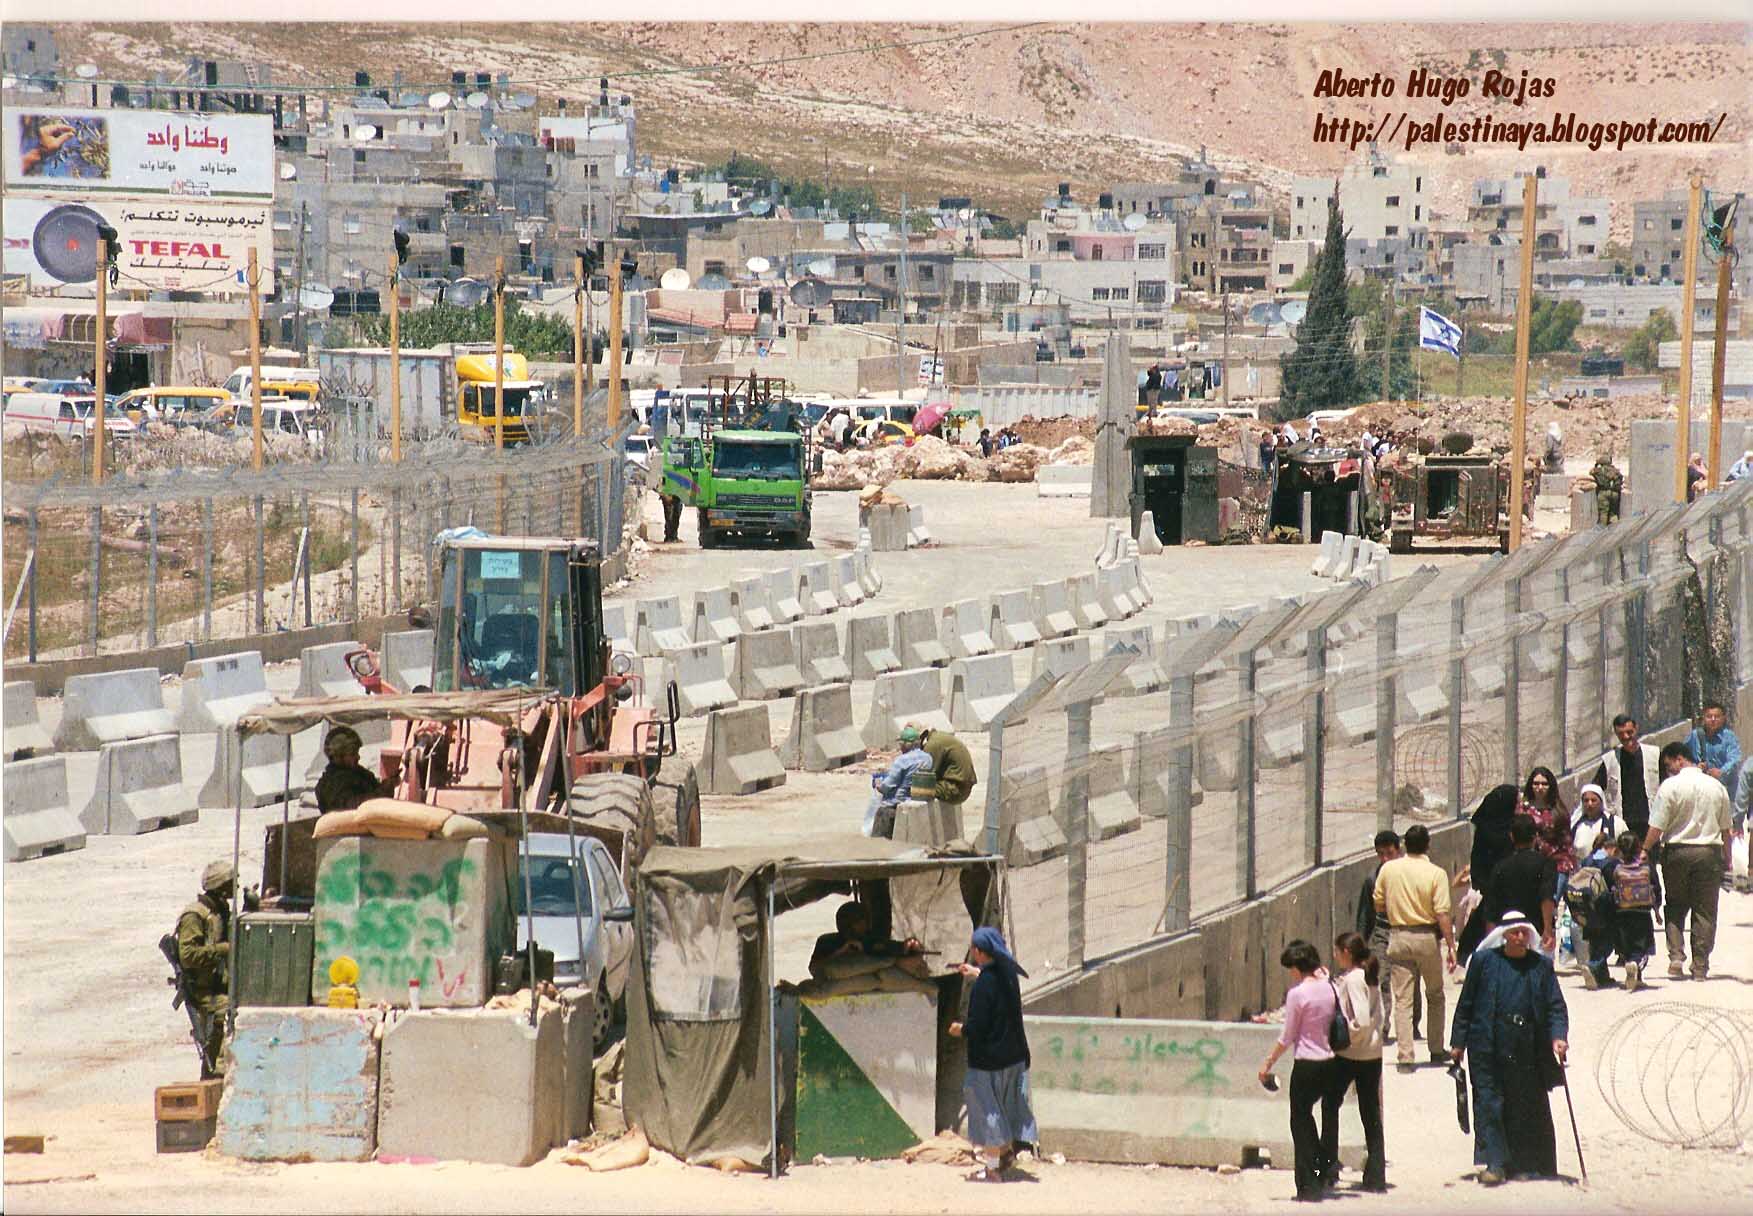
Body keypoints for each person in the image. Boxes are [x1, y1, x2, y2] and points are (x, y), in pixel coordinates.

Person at [1449, 911, 1569, 1185]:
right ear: (1503, 935)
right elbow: (1466, 1004)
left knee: (1523, 1105)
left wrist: (1558, 1037)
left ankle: (1525, 1164)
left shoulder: (1540, 966)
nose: (1520, 937)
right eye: (1515, 932)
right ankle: (1495, 1164)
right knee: (1489, 1102)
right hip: (1487, 1044)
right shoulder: (1483, 962)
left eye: (1524, 932)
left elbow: (1555, 1005)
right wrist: (1458, 1042)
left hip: (1526, 1046)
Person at [948, 926, 1037, 1183]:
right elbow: (993, 984)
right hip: (1014, 1057)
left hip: (988, 1063)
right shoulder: (1007, 974)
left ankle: (992, 1169)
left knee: (988, 1113)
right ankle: (1006, 1154)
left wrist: (959, 1030)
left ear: (978, 951)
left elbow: (977, 1027)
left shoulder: (983, 986)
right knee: (1006, 1108)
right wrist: (975, 972)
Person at [1256, 940, 1340, 1202]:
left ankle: (1308, 1186)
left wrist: (1268, 1063)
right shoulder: (1329, 988)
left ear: (1297, 967)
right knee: (1310, 1119)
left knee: (1300, 1122)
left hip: (1306, 1063)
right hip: (1329, 1062)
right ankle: (1324, 1166)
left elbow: (1288, 1035)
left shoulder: (1297, 994)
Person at [1643, 740, 1733, 981]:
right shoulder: (1716, 787)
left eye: (1668, 765)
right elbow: (1726, 829)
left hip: (1676, 853)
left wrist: (1644, 849)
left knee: (1675, 904)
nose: (1668, 770)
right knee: (1705, 911)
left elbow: (1657, 825)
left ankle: (1676, 955)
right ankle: (1700, 966)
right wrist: (1727, 860)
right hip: (1708, 853)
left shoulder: (1669, 786)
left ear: (1679, 759)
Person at [1372, 823, 1455, 1072]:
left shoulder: (1388, 869)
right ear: (1428, 845)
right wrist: (1451, 946)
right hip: (1427, 937)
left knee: (1403, 999)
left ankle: (1405, 1057)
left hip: (1398, 936)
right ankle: (1436, 1049)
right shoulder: (1436, 873)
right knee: (1435, 994)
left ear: (1404, 845)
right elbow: (1442, 913)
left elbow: (1378, 904)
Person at [1331, 931, 1387, 1193]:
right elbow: (1379, 1014)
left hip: (1352, 1054)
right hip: (1372, 1053)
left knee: (1330, 1105)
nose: (1335, 956)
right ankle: (1376, 1175)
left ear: (1346, 953)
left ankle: (1327, 1167)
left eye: (1337, 952)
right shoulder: (1368, 974)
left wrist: (1348, 1037)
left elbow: (1361, 1019)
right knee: (1371, 1113)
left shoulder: (1354, 979)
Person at [176, 859, 235, 1079]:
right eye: (230, 884)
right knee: (227, 1017)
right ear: (220, 886)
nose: (235, 888)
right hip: (204, 992)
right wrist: (222, 949)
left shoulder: (219, 910)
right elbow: (188, 956)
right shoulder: (195, 915)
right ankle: (215, 1077)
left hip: (219, 985)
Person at [1356, 830, 1416, 1041]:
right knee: (1380, 978)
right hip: (1382, 933)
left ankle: (1411, 1025)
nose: (1385, 859)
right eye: (1380, 854)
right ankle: (1382, 1027)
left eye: (1389, 853)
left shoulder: (1410, 874)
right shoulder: (1372, 879)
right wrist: (1361, 947)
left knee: (1410, 981)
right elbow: (1365, 915)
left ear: (1399, 851)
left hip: (1407, 930)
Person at [1482, 815, 1558, 953]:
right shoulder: (1546, 864)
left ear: (1512, 836)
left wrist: (1491, 941)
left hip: (1509, 935)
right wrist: (1548, 929)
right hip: (1535, 935)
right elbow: (1546, 898)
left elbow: (1491, 909)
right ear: (1535, 836)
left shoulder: (1500, 868)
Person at [1599, 829, 1661, 992]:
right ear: (1638, 848)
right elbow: (1656, 888)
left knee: (1627, 944)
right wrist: (1656, 908)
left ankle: (1631, 968)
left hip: (1622, 913)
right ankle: (1636, 967)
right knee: (1642, 946)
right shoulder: (1646, 867)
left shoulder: (1614, 867)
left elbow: (1609, 889)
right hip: (1642, 913)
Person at [808, 900, 930, 980]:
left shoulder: (871, 940)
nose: (856, 925)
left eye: (859, 920)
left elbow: (896, 949)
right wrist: (840, 953)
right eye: (852, 921)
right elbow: (814, 968)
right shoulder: (827, 941)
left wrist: (910, 945)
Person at [1591, 714, 1660, 840]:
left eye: (1629, 732)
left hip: (1650, 820)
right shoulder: (1610, 760)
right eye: (1621, 734)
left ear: (1636, 729)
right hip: (1623, 823)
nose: (1626, 737)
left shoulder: (1654, 754)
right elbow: (1594, 789)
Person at [864, 725, 933, 838]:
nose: (900, 747)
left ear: (906, 744)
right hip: (918, 798)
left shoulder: (901, 760)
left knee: (880, 809)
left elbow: (887, 786)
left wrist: (878, 785)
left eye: (901, 744)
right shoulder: (928, 758)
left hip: (896, 803)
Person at [1516, 767, 1575, 896]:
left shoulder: (1559, 811)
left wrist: (1568, 866)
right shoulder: (1523, 810)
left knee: (1551, 902)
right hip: (1530, 866)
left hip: (1556, 865)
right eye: (1536, 784)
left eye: (1544, 784)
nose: (1540, 787)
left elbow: (1567, 842)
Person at [314, 726, 395, 812]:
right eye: (352, 754)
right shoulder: (333, 783)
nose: (358, 757)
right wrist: (384, 791)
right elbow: (355, 807)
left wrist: (388, 784)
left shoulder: (359, 773)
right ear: (338, 757)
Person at [1685, 701, 1740, 799]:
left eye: (1717, 716)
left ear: (1723, 718)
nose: (1713, 719)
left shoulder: (1729, 737)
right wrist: (1695, 767)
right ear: (1703, 718)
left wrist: (1721, 772)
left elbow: (1734, 759)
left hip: (1725, 788)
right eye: (1709, 716)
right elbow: (1684, 757)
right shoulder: (1695, 736)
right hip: (1701, 789)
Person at [918, 726, 977, 807]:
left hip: (955, 790)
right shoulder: (940, 737)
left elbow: (922, 777)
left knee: (917, 789)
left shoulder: (932, 745)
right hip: (962, 787)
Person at [1569, 783, 1616, 862]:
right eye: (1586, 800)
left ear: (1601, 802)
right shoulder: (1575, 825)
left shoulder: (1614, 823)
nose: (1589, 804)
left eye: (1593, 800)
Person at [1589, 453, 1623, 524]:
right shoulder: (1615, 471)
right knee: (1613, 513)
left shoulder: (1598, 471)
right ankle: (1615, 528)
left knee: (1603, 513)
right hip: (1615, 494)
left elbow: (1591, 472)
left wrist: (1596, 464)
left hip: (1603, 493)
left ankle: (1603, 529)